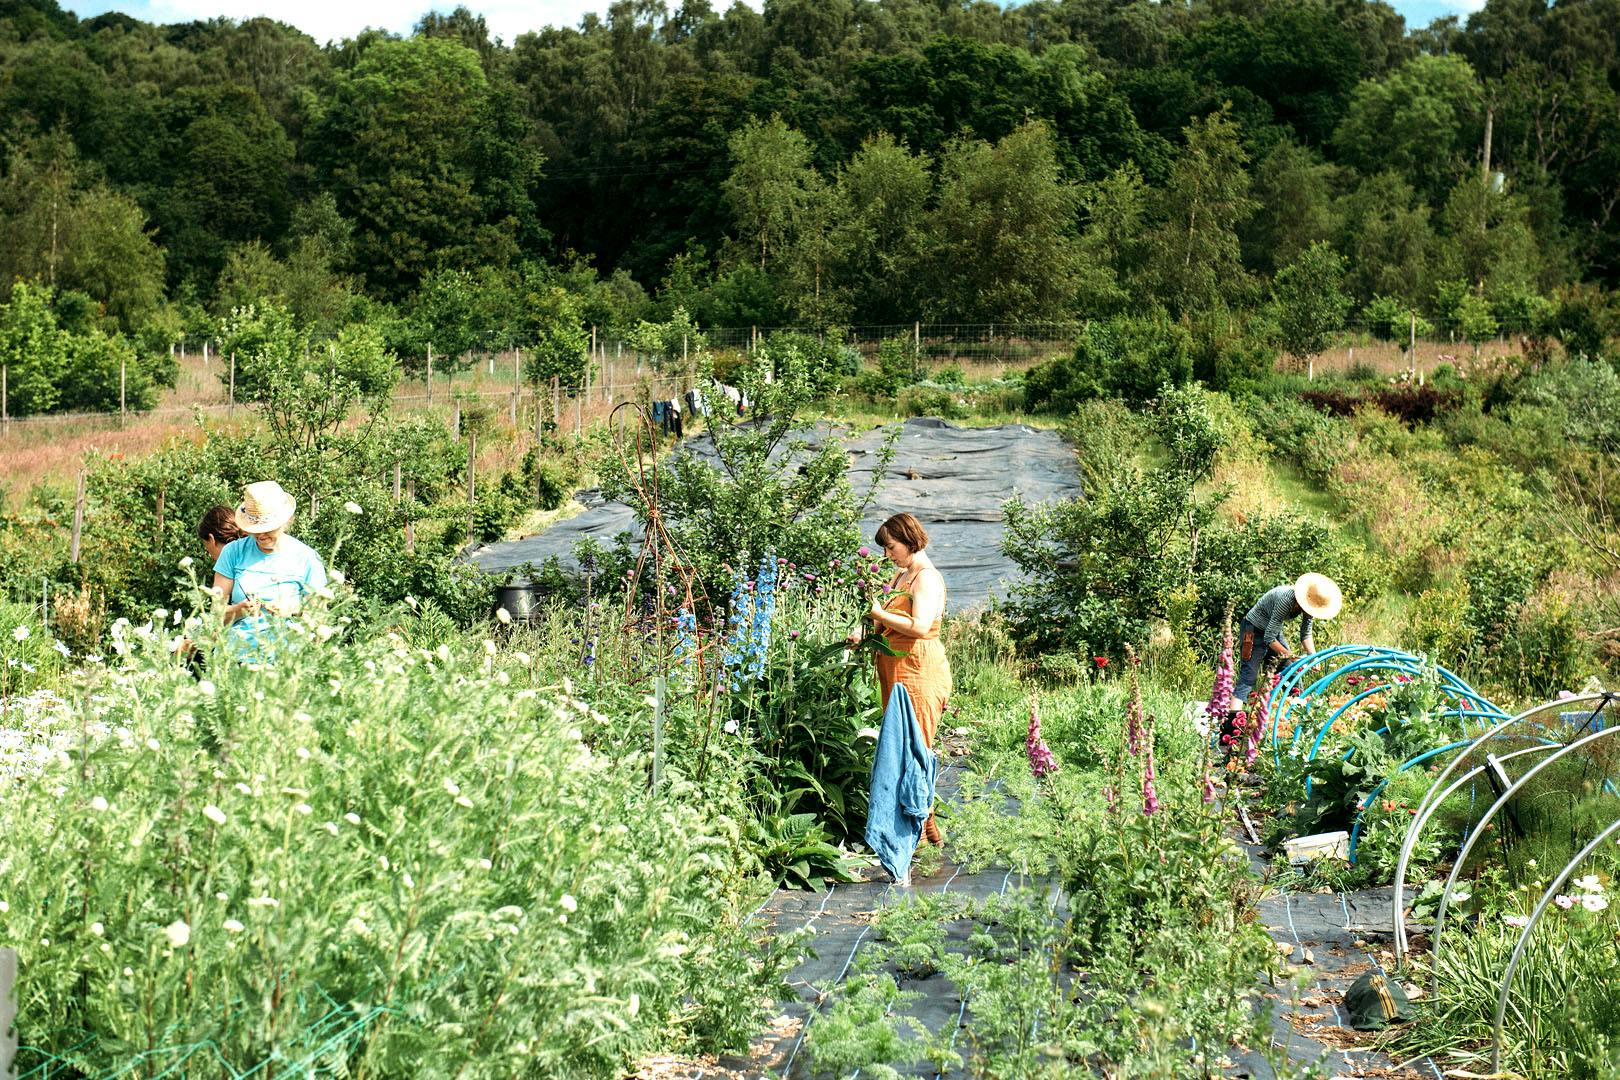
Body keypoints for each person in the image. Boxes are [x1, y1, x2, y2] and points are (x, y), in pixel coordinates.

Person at [848, 513, 953, 861]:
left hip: (920, 672)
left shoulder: (927, 579)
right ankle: (926, 825)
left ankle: (920, 832)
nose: (887, 555)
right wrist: (863, 634)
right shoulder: (900, 575)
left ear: (910, 541)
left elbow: (920, 626)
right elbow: (886, 622)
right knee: (902, 750)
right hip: (896, 673)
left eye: (891, 547)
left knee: (916, 751)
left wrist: (879, 614)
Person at [212, 481, 328, 663]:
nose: (261, 535)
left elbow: (319, 617)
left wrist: (291, 609)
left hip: (287, 659)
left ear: (285, 521)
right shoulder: (232, 552)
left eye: (268, 528)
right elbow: (215, 613)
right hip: (235, 658)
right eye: (255, 530)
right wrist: (239, 610)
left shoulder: (307, 558)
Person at [1233, 573, 1342, 705]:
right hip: (1253, 630)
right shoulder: (1286, 599)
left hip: (1272, 632)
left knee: (1292, 672)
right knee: (1248, 676)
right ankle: (1232, 720)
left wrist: (1313, 657)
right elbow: (1269, 638)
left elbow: (1306, 634)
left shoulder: (1309, 606)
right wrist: (1291, 655)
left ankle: (1296, 715)